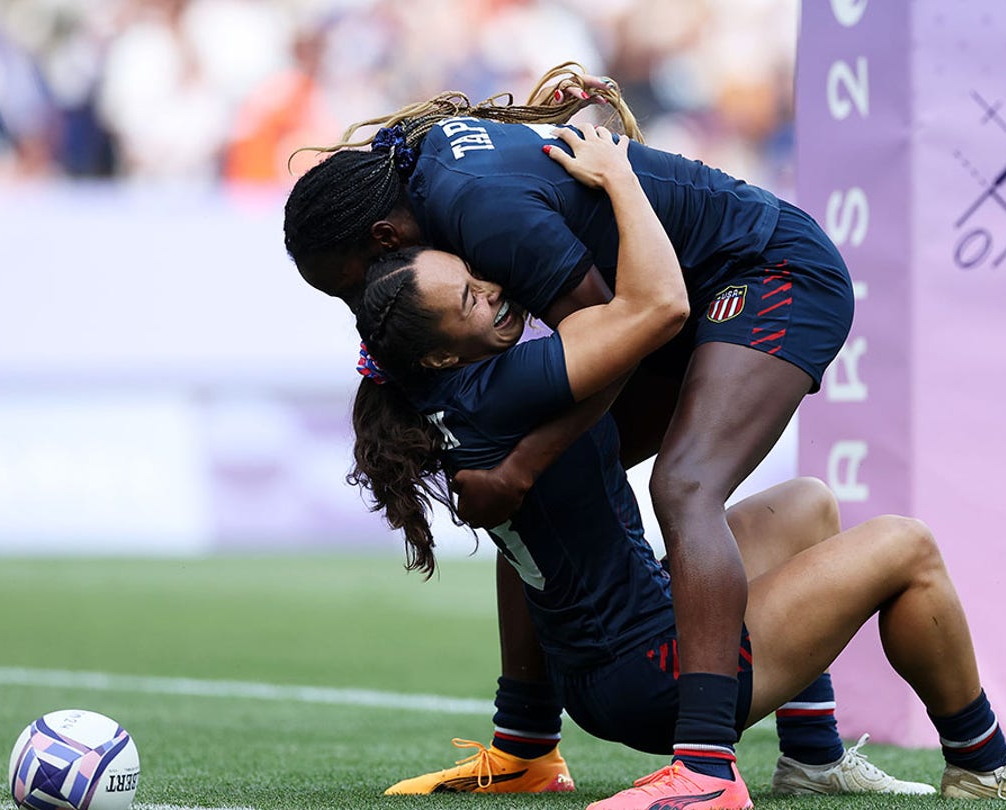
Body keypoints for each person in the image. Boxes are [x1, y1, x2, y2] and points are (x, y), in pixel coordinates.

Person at [341, 124, 1006, 807]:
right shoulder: (514, 384)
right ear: (439, 349)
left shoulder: (441, 396)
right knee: (905, 544)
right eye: (473, 298)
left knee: (805, 504)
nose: (500, 292)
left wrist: (527, 737)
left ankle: (811, 757)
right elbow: (655, 307)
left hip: (604, 677)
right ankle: (979, 761)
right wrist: (620, 176)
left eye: (483, 279)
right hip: (656, 675)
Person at [283, 65, 859, 803]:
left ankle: (709, 769)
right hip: (679, 293)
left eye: (349, 284)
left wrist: (522, 464)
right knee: (544, 491)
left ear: (385, 234)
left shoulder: (474, 208)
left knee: (684, 487)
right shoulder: (420, 180)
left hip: (769, 270)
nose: (361, 304)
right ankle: (528, 750)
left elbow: (626, 331)